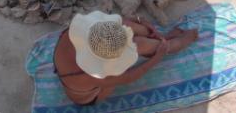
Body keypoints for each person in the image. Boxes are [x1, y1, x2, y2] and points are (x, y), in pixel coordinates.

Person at [53, 10, 199, 105]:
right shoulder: (94, 74)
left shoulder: (81, 31)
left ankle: (160, 38)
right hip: (91, 95)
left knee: (128, 27)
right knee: (139, 44)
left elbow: (117, 23)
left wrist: (138, 21)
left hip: (77, 63)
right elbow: (129, 77)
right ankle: (167, 44)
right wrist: (157, 57)